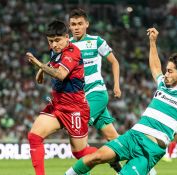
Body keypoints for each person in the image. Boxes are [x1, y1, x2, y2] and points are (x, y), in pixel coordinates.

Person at [64, 27, 177, 175]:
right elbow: (155, 66)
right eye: (167, 70)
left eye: (170, 71)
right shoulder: (163, 84)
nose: (165, 74)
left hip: (151, 149)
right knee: (96, 157)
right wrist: (152, 42)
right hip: (133, 136)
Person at [26, 20, 97, 175]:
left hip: (75, 108)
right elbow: (52, 62)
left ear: (67, 37)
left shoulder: (72, 52)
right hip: (58, 105)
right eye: (51, 41)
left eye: (58, 40)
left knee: (80, 153)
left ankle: (116, 154)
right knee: (34, 137)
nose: (54, 45)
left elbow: (61, 74)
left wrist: (38, 65)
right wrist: (42, 71)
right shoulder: (56, 51)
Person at [68, 8, 122, 172]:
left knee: (77, 129)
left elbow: (114, 62)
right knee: (113, 138)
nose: (76, 27)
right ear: (69, 27)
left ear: (87, 24)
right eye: (73, 24)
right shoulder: (68, 46)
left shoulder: (96, 41)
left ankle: (79, 170)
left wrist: (116, 85)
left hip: (97, 93)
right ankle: (141, 166)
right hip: (81, 97)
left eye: (79, 24)